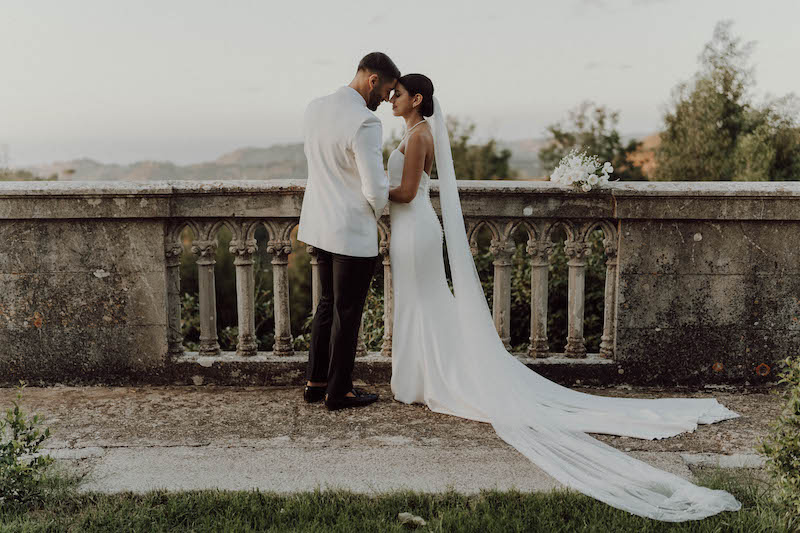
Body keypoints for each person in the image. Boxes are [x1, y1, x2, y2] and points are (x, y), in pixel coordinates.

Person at [385, 72, 742, 521]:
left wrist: (372, 192)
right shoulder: (415, 132)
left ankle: (433, 379)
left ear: (416, 99)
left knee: (427, 303)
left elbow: (408, 192)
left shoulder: (419, 136)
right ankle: (422, 377)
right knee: (421, 305)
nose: (390, 100)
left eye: (396, 94)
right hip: (408, 231)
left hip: (413, 230)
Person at [297, 52, 398, 411]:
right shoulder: (365, 122)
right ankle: (339, 391)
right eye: (386, 93)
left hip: (319, 224)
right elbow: (373, 188)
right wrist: (382, 211)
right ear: (372, 81)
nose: (385, 102)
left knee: (327, 305)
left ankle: (315, 382)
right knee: (348, 310)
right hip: (351, 230)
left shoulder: (315, 107)